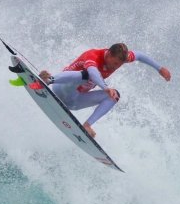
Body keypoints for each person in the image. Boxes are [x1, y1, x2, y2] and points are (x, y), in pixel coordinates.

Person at [36, 43, 171, 138]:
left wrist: (159, 68)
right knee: (86, 75)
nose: (116, 67)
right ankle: (48, 80)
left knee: (114, 96)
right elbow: (93, 73)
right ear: (109, 54)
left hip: (74, 101)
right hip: (61, 89)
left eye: (120, 65)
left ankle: (87, 126)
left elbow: (140, 55)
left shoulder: (121, 58)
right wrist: (105, 87)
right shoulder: (93, 55)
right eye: (115, 63)